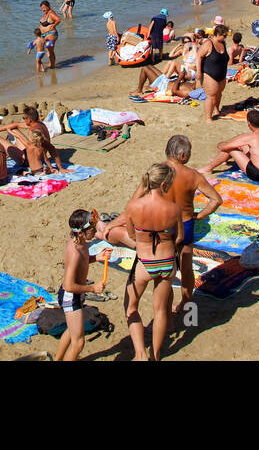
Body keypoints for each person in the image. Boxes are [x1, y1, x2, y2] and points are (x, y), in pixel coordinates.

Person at [122, 163, 183, 361]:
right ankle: (155, 354)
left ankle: (140, 352)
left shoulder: (133, 206)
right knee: (160, 310)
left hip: (145, 260)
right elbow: (179, 237)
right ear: (165, 184)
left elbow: (131, 234)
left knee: (131, 307)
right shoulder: (174, 208)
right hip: (166, 262)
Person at [164, 135, 220, 312]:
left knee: (165, 271)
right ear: (182, 155)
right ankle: (185, 304)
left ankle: (164, 309)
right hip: (185, 223)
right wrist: (199, 215)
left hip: (163, 223)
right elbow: (216, 200)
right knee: (186, 268)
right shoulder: (193, 175)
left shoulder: (156, 171)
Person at [55, 210, 107, 361]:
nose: (95, 232)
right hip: (70, 296)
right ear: (82, 232)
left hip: (74, 295)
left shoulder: (81, 242)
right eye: (92, 230)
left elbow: (84, 260)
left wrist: (97, 257)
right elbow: (69, 285)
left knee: (72, 332)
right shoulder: (74, 252)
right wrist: (93, 288)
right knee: (78, 343)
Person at [197, 111, 259, 181]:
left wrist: (220, 144)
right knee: (240, 145)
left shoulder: (252, 137)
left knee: (230, 149)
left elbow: (223, 147)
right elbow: (240, 140)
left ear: (249, 123)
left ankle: (209, 168)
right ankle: (222, 160)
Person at [199, 25, 229, 121]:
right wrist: (199, 72)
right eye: (224, 35)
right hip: (209, 74)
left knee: (219, 94)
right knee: (211, 96)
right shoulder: (208, 44)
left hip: (222, 74)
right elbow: (199, 56)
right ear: (217, 34)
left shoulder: (223, 43)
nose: (225, 37)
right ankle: (208, 118)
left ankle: (216, 110)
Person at [39, 0, 60, 70]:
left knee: (50, 50)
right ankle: (51, 63)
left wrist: (53, 25)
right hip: (44, 35)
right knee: (48, 50)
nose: (43, 9)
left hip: (51, 34)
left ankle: (52, 65)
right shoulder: (46, 14)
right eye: (42, 8)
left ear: (48, 6)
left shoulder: (51, 13)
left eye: (44, 7)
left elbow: (58, 20)